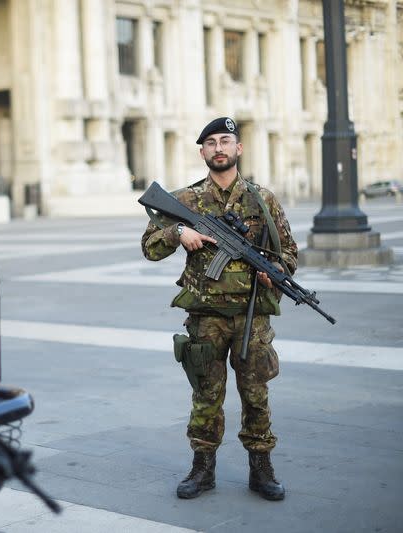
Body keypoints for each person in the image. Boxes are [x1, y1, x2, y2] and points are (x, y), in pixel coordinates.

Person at [141, 117, 297, 501]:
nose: (219, 148)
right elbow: (150, 247)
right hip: (205, 318)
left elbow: (289, 253)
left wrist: (275, 272)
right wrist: (179, 232)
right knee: (206, 395)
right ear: (202, 152)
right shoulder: (186, 201)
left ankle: (261, 469)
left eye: (225, 140)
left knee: (256, 394)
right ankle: (202, 469)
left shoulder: (262, 199)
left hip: (251, 319)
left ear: (238, 148)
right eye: (210, 143)